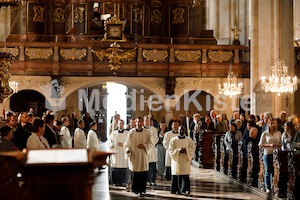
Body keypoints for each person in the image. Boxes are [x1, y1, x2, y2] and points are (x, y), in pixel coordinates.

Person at [124, 117, 152, 197]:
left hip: (143, 155)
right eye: (137, 122)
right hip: (134, 155)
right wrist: (127, 150)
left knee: (143, 173)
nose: (139, 123)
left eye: (140, 122)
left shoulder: (147, 132)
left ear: (143, 123)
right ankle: (135, 190)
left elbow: (150, 144)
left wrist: (144, 146)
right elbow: (127, 144)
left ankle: (142, 190)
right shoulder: (131, 132)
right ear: (135, 123)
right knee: (135, 173)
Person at [169, 126, 195, 196]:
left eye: (183, 130)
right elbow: (170, 150)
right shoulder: (173, 140)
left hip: (185, 160)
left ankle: (186, 189)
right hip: (177, 160)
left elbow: (192, 148)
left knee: (185, 175)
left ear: (185, 131)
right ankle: (176, 189)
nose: (181, 131)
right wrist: (178, 151)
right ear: (178, 130)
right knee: (177, 174)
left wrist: (186, 150)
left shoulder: (189, 139)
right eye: (180, 130)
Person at [258, 117, 281, 194]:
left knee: (275, 171)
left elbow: (281, 144)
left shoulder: (278, 133)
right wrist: (269, 145)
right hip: (267, 153)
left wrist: (277, 145)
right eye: (271, 123)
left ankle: (274, 185)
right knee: (268, 170)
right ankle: (268, 187)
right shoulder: (265, 133)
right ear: (268, 124)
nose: (272, 124)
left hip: (276, 154)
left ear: (276, 124)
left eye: (273, 123)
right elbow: (260, 144)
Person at [109, 119, 129, 186]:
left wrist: (123, 144)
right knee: (116, 167)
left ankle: (123, 181)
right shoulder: (113, 133)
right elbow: (109, 142)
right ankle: (115, 181)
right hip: (116, 152)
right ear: (117, 124)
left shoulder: (127, 133)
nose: (121, 125)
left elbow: (129, 142)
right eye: (120, 123)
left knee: (123, 167)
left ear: (124, 125)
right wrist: (112, 145)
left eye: (122, 124)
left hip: (123, 153)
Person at [143, 115, 158, 186]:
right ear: (143, 121)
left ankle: (152, 180)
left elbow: (156, 139)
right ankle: (145, 180)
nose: (147, 122)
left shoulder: (153, 129)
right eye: (145, 120)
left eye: (148, 121)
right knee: (144, 166)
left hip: (151, 149)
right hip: (143, 150)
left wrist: (150, 142)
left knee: (152, 166)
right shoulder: (141, 130)